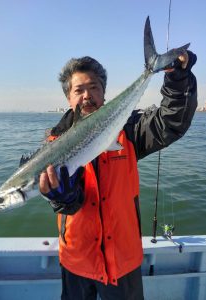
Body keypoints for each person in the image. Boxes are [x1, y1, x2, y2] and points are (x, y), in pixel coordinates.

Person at [39, 53, 197, 299]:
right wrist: (63, 198)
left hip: (123, 261)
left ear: (104, 93)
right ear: (68, 97)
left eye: (94, 87)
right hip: (76, 260)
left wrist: (178, 79)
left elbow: (170, 123)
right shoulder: (54, 145)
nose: (87, 95)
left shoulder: (129, 130)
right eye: (79, 89)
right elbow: (70, 204)